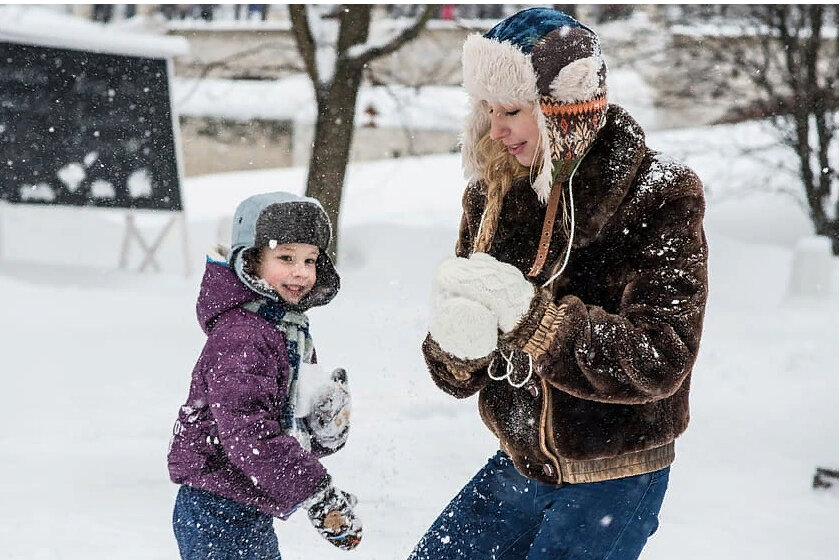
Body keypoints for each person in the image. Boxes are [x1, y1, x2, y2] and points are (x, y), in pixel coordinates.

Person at [412, 8, 708, 560]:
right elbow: (457, 374)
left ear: (561, 110)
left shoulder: (659, 195)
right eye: (488, 111)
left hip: (615, 477)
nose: (496, 129)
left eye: (512, 111)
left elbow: (662, 356)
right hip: (520, 462)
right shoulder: (494, 190)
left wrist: (536, 323)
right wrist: (458, 342)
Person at [167, 192, 362, 559]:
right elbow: (247, 433)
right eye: (285, 258)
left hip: (249, 507)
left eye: (310, 260)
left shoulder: (288, 331)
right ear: (251, 262)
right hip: (215, 510)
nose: (300, 272)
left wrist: (324, 429)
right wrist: (316, 491)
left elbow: (284, 431)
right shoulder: (242, 336)